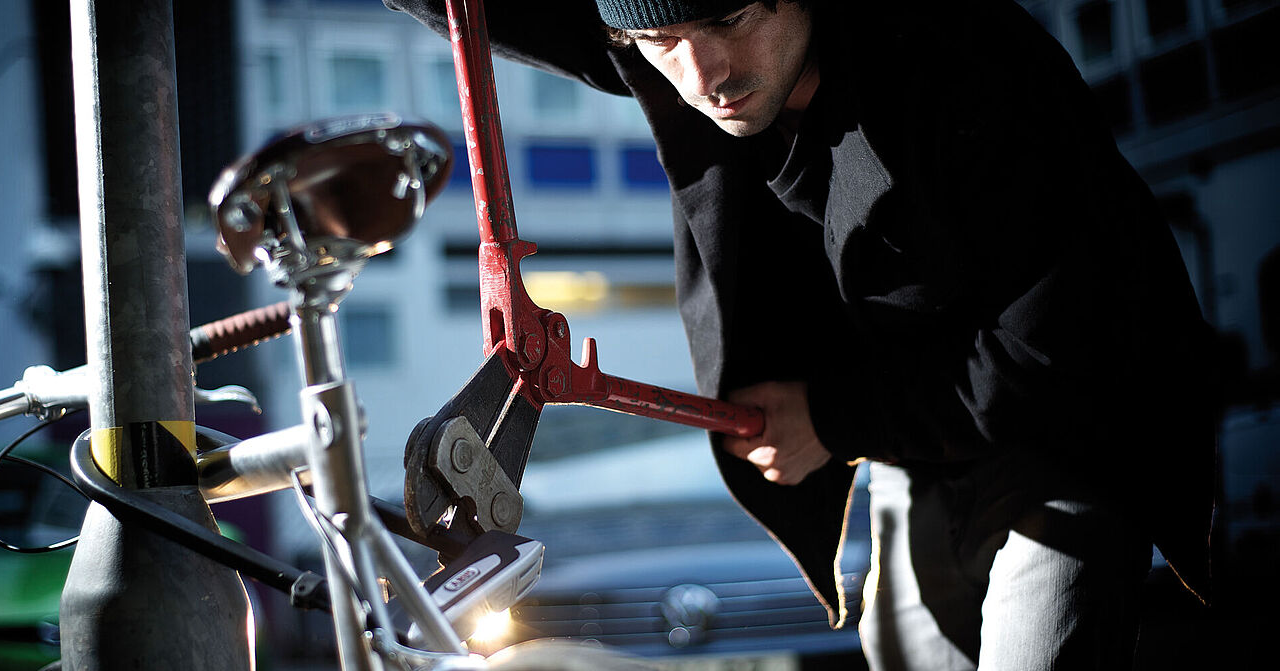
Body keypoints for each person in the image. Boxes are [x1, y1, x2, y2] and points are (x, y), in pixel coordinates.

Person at [385, 0, 1220, 668]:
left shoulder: (970, 69)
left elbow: (1056, 352)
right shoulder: (663, 45)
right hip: (915, 446)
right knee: (903, 649)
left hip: (1073, 434)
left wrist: (829, 418)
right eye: (663, 38)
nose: (704, 75)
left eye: (731, 18)